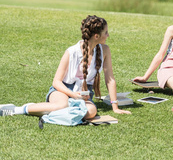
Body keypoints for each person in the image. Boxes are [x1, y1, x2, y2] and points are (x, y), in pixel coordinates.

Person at [0, 15, 131, 118]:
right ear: (96, 36)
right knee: (62, 104)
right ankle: (19, 109)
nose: (108, 35)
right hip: (62, 90)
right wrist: (73, 95)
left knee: (91, 111)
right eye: (106, 32)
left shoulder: (104, 50)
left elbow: (110, 79)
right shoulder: (72, 52)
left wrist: (115, 107)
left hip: (84, 94)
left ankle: (50, 111)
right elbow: (56, 82)